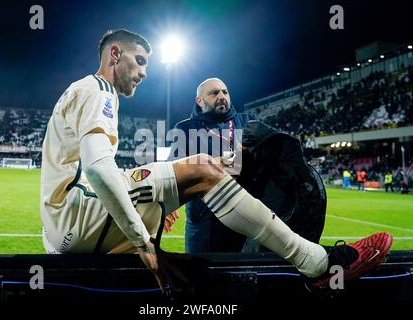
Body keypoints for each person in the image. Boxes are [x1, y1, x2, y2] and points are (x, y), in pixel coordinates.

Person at [40, 29, 393, 293]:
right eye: (141, 60)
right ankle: (317, 264)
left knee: (202, 169)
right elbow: (98, 169)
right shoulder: (99, 91)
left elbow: (94, 170)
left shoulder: (82, 90)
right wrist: (141, 242)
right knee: (203, 171)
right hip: (79, 217)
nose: (144, 72)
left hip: (63, 229)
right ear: (115, 54)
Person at [168, 78, 254, 253]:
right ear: (199, 100)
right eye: (214, 93)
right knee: (199, 278)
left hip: (244, 220)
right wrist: (218, 163)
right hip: (203, 224)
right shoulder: (185, 128)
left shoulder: (249, 122)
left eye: (225, 92)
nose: (222, 96)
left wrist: (252, 153)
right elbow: (173, 172)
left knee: (240, 277)